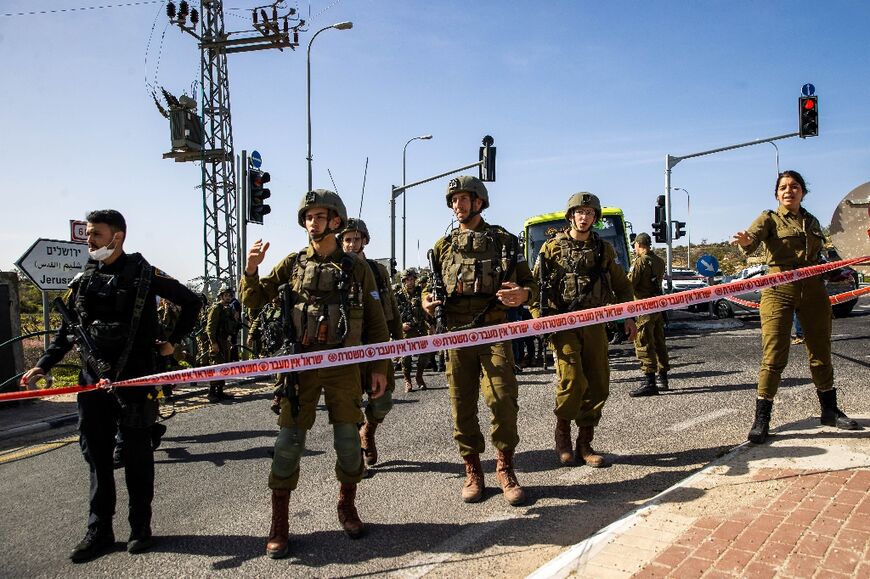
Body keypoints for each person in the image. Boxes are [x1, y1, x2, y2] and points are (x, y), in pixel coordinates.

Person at [20, 210, 200, 562]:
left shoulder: (145, 273)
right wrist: (43, 365)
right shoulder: (84, 278)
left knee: (136, 455)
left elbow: (193, 302)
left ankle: (140, 528)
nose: (89, 240)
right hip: (91, 383)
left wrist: (172, 342)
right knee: (97, 457)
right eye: (88, 233)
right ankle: (99, 529)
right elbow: (69, 330)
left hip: (135, 379)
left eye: (96, 234)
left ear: (117, 237)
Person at [240, 189, 390, 558]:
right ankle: (279, 524)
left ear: (336, 222)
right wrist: (251, 268)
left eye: (320, 216)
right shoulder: (292, 265)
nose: (312, 222)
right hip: (300, 367)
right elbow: (253, 300)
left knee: (348, 443)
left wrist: (380, 367)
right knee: (288, 445)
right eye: (308, 217)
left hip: (343, 367)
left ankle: (347, 506)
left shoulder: (357, 269)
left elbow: (375, 323)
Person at [423, 175, 537, 506]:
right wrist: (426, 302)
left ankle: (505, 467)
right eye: (454, 200)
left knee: (503, 399)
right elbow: (429, 291)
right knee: (462, 407)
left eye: (464, 199)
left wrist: (523, 293)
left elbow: (531, 283)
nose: (458, 205)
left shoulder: (503, 241)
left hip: (495, 332)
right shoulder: (442, 247)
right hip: (457, 335)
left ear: (479, 202)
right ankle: (473, 469)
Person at [732, 170, 859, 444]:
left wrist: (834, 269)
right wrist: (745, 241)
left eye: (795, 186)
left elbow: (818, 256)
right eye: (783, 188)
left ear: (803, 192)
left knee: (821, 348)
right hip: (779, 288)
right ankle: (762, 418)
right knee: (775, 354)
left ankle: (829, 410)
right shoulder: (769, 218)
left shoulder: (812, 221)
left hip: (813, 288)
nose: (789, 191)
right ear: (777, 194)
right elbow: (752, 240)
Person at [531, 193, 637, 468]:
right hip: (563, 325)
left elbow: (622, 286)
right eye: (579, 212)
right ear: (570, 216)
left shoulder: (604, 250)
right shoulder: (550, 249)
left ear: (595, 218)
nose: (584, 217)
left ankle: (585, 442)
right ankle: (563, 435)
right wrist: (539, 318)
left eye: (590, 213)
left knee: (599, 383)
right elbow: (534, 289)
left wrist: (629, 317)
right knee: (572, 381)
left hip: (595, 324)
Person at [338, 218, 403, 468]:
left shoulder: (378, 270)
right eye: (347, 240)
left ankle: (369, 431)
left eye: (356, 239)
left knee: (383, 400)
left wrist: (400, 340)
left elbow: (391, 306)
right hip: (348, 346)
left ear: (365, 240)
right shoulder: (336, 271)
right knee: (350, 403)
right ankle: (357, 453)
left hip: (378, 345)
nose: (352, 244)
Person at [628, 232, 670, 397]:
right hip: (657, 307)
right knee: (659, 342)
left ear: (638, 245)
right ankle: (663, 378)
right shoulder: (659, 261)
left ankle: (649, 381)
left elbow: (630, 284)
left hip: (643, 308)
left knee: (644, 341)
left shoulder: (640, 262)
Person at [395, 268, 432, 392]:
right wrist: (400, 325)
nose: (410, 282)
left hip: (420, 328)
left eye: (412, 279)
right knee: (406, 357)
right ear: (403, 281)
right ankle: (407, 380)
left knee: (425, 354)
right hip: (406, 330)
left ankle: (419, 377)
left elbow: (426, 310)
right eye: (408, 280)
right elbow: (393, 315)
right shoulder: (398, 295)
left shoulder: (420, 292)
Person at [205, 285, 238, 402]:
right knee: (216, 365)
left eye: (230, 295)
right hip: (217, 341)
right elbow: (210, 328)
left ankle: (220, 391)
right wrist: (213, 343)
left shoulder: (228, 309)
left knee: (224, 365)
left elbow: (231, 327)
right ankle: (212, 392)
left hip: (225, 341)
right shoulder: (216, 308)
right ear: (221, 296)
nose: (228, 297)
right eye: (226, 295)